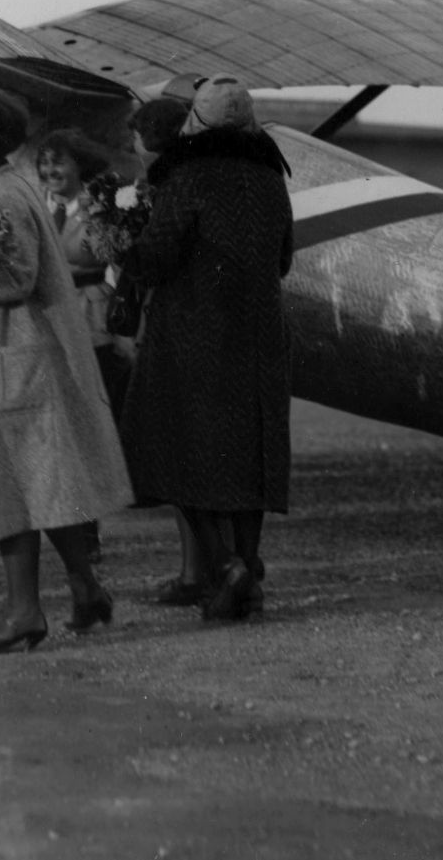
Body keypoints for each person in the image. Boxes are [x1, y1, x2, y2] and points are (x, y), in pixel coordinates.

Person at [0, 87, 132, 655]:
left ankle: (23, 612)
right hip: (23, 351)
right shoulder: (9, 187)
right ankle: (84, 586)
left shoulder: (3, 197)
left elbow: (15, 278)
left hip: (12, 352)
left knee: (11, 482)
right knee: (43, 478)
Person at [118, 74, 293, 622]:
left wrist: (125, 243)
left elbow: (158, 254)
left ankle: (225, 568)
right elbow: (283, 258)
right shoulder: (271, 178)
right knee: (248, 456)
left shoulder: (187, 175)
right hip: (260, 332)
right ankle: (249, 573)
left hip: (192, 329)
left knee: (175, 444)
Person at [122, 95, 208, 607]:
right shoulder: (180, 183)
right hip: (179, 329)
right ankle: (194, 570)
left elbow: (153, 259)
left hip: (176, 333)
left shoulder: (170, 187)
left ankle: (200, 572)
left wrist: (123, 247)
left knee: (181, 455)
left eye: (136, 138)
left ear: (152, 141)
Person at [35, 128, 130, 413]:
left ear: (80, 165)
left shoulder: (101, 206)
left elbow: (121, 265)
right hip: (47, 314)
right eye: (45, 162)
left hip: (91, 316)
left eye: (59, 162)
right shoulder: (36, 204)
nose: (50, 170)